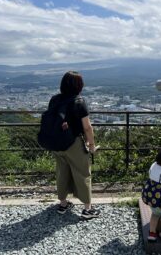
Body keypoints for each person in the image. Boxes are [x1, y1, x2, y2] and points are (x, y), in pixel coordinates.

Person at [49, 71, 100, 219]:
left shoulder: (54, 99)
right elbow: (87, 127)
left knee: (62, 172)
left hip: (57, 143)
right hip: (74, 143)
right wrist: (91, 145)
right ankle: (87, 209)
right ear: (79, 86)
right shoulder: (79, 101)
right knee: (83, 173)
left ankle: (63, 204)